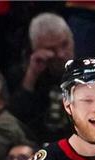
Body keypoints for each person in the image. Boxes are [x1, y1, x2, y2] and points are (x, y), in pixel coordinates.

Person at [8, 13, 74, 144]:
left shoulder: (89, 68)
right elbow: (16, 120)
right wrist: (32, 75)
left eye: (64, 44)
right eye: (51, 49)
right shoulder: (21, 74)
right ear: (35, 48)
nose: (61, 54)